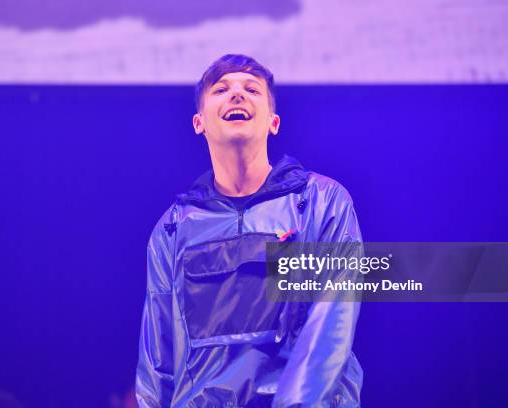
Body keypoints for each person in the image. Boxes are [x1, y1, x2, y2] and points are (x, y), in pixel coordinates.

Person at [136, 54, 363, 407]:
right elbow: (157, 359)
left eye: (251, 89)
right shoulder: (172, 229)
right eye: (222, 89)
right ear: (199, 122)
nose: (237, 95)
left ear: (274, 122)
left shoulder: (322, 202)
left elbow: (332, 321)